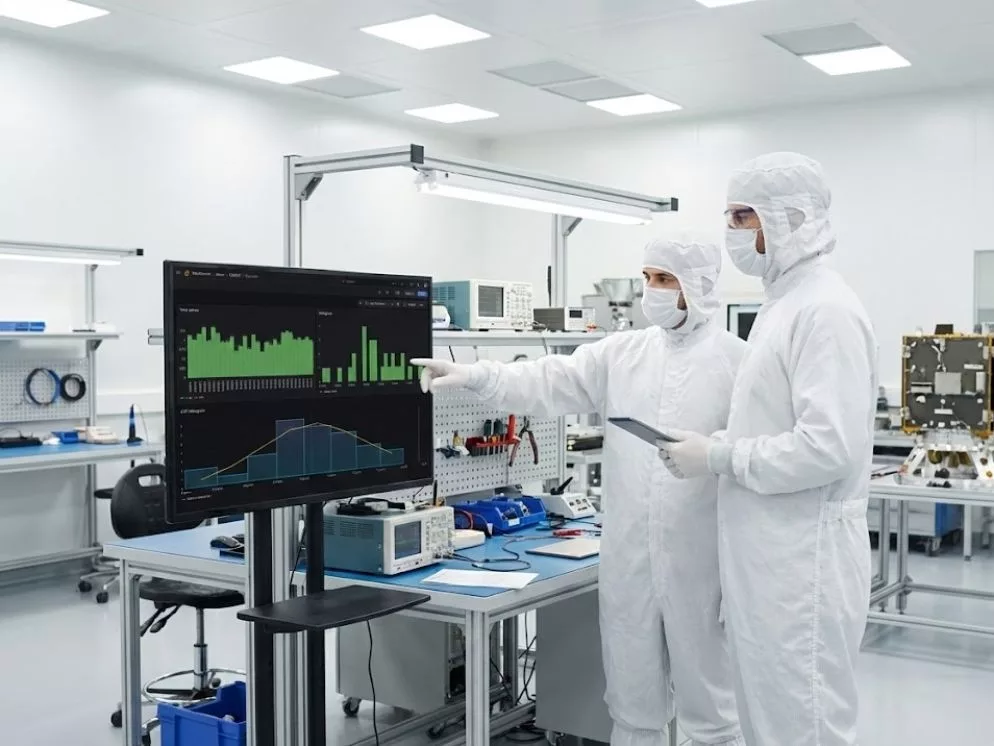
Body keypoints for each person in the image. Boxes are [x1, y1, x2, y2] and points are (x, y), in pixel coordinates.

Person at [414, 239, 747, 746]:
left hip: (703, 564)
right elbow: (548, 378)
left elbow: (751, 456)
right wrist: (475, 375)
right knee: (633, 703)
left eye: (664, 280)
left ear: (696, 286)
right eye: (647, 277)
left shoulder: (737, 362)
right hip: (630, 560)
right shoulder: (624, 353)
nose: (651, 291)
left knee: (713, 711)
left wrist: (717, 453)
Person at [658, 153, 877, 746]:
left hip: (803, 568)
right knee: (768, 725)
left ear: (791, 218)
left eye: (742, 216)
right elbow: (773, 421)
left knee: (802, 727)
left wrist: (720, 458)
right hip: (770, 564)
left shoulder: (825, 309)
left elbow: (828, 447)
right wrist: (718, 444)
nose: (731, 231)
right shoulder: (783, 305)